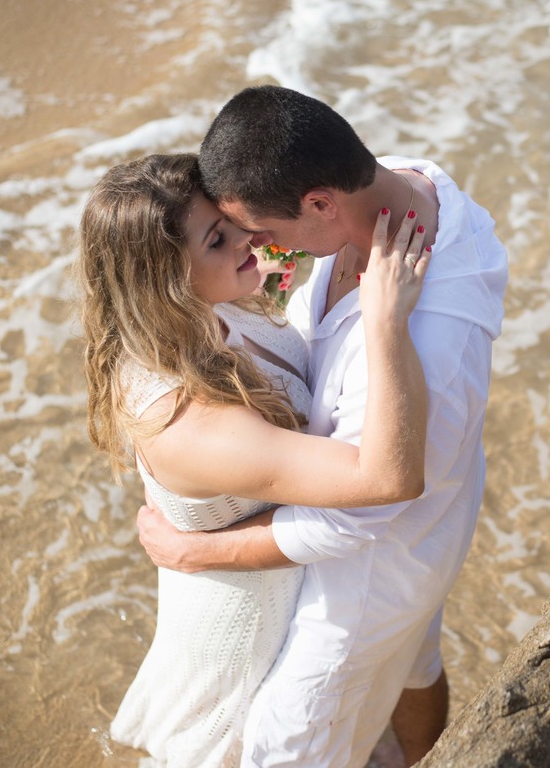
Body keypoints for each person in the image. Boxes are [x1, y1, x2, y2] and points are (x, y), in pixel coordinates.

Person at [135, 85, 508, 768]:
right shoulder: (396, 184)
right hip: (434, 520)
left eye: (259, 229)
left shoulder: (424, 341)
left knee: (285, 739)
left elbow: (358, 515)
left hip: (374, 568)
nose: (257, 245)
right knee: (414, 665)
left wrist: (196, 551)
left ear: (318, 204)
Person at [78, 152, 431, 768]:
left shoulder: (205, 309)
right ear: (166, 279)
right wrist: (385, 322)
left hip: (284, 585)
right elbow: (389, 477)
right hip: (244, 632)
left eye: (233, 223)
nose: (249, 239)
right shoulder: (189, 419)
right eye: (219, 238)